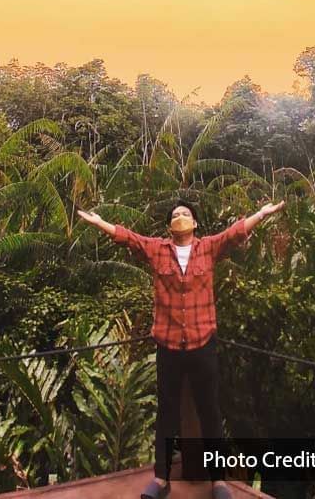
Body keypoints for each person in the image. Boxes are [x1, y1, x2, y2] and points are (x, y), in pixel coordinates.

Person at [77, 197, 286, 499]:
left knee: (210, 412)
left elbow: (234, 233)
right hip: (169, 345)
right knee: (167, 414)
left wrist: (261, 214)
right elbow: (128, 237)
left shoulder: (208, 248)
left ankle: (218, 481)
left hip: (203, 344)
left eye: (185, 214)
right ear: (168, 226)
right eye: (175, 215)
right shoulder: (157, 250)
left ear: (195, 223)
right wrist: (100, 223)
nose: (180, 217)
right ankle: (161, 479)